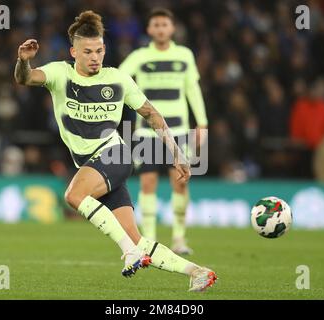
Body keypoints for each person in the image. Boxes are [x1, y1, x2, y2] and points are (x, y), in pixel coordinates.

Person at [14, 10, 216, 291]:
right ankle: (198, 272)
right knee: (137, 238)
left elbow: (152, 114)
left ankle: (129, 253)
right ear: (74, 51)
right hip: (92, 165)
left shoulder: (117, 79)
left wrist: (176, 153)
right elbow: (26, 79)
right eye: (88, 52)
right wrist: (23, 61)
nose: (95, 57)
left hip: (115, 156)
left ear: (104, 49)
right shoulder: (60, 73)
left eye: (99, 50)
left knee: (74, 195)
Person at [119, 8, 208, 255]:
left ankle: (179, 238)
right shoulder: (139, 56)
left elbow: (192, 89)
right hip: (148, 132)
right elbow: (118, 80)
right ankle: (149, 240)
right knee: (148, 183)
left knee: (180, 183)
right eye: (155, 24)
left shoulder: (184, 55)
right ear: (149, 30)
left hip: (179, 130)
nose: (160, 28)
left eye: (164, 24)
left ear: (172, 28)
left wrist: (202, 123)